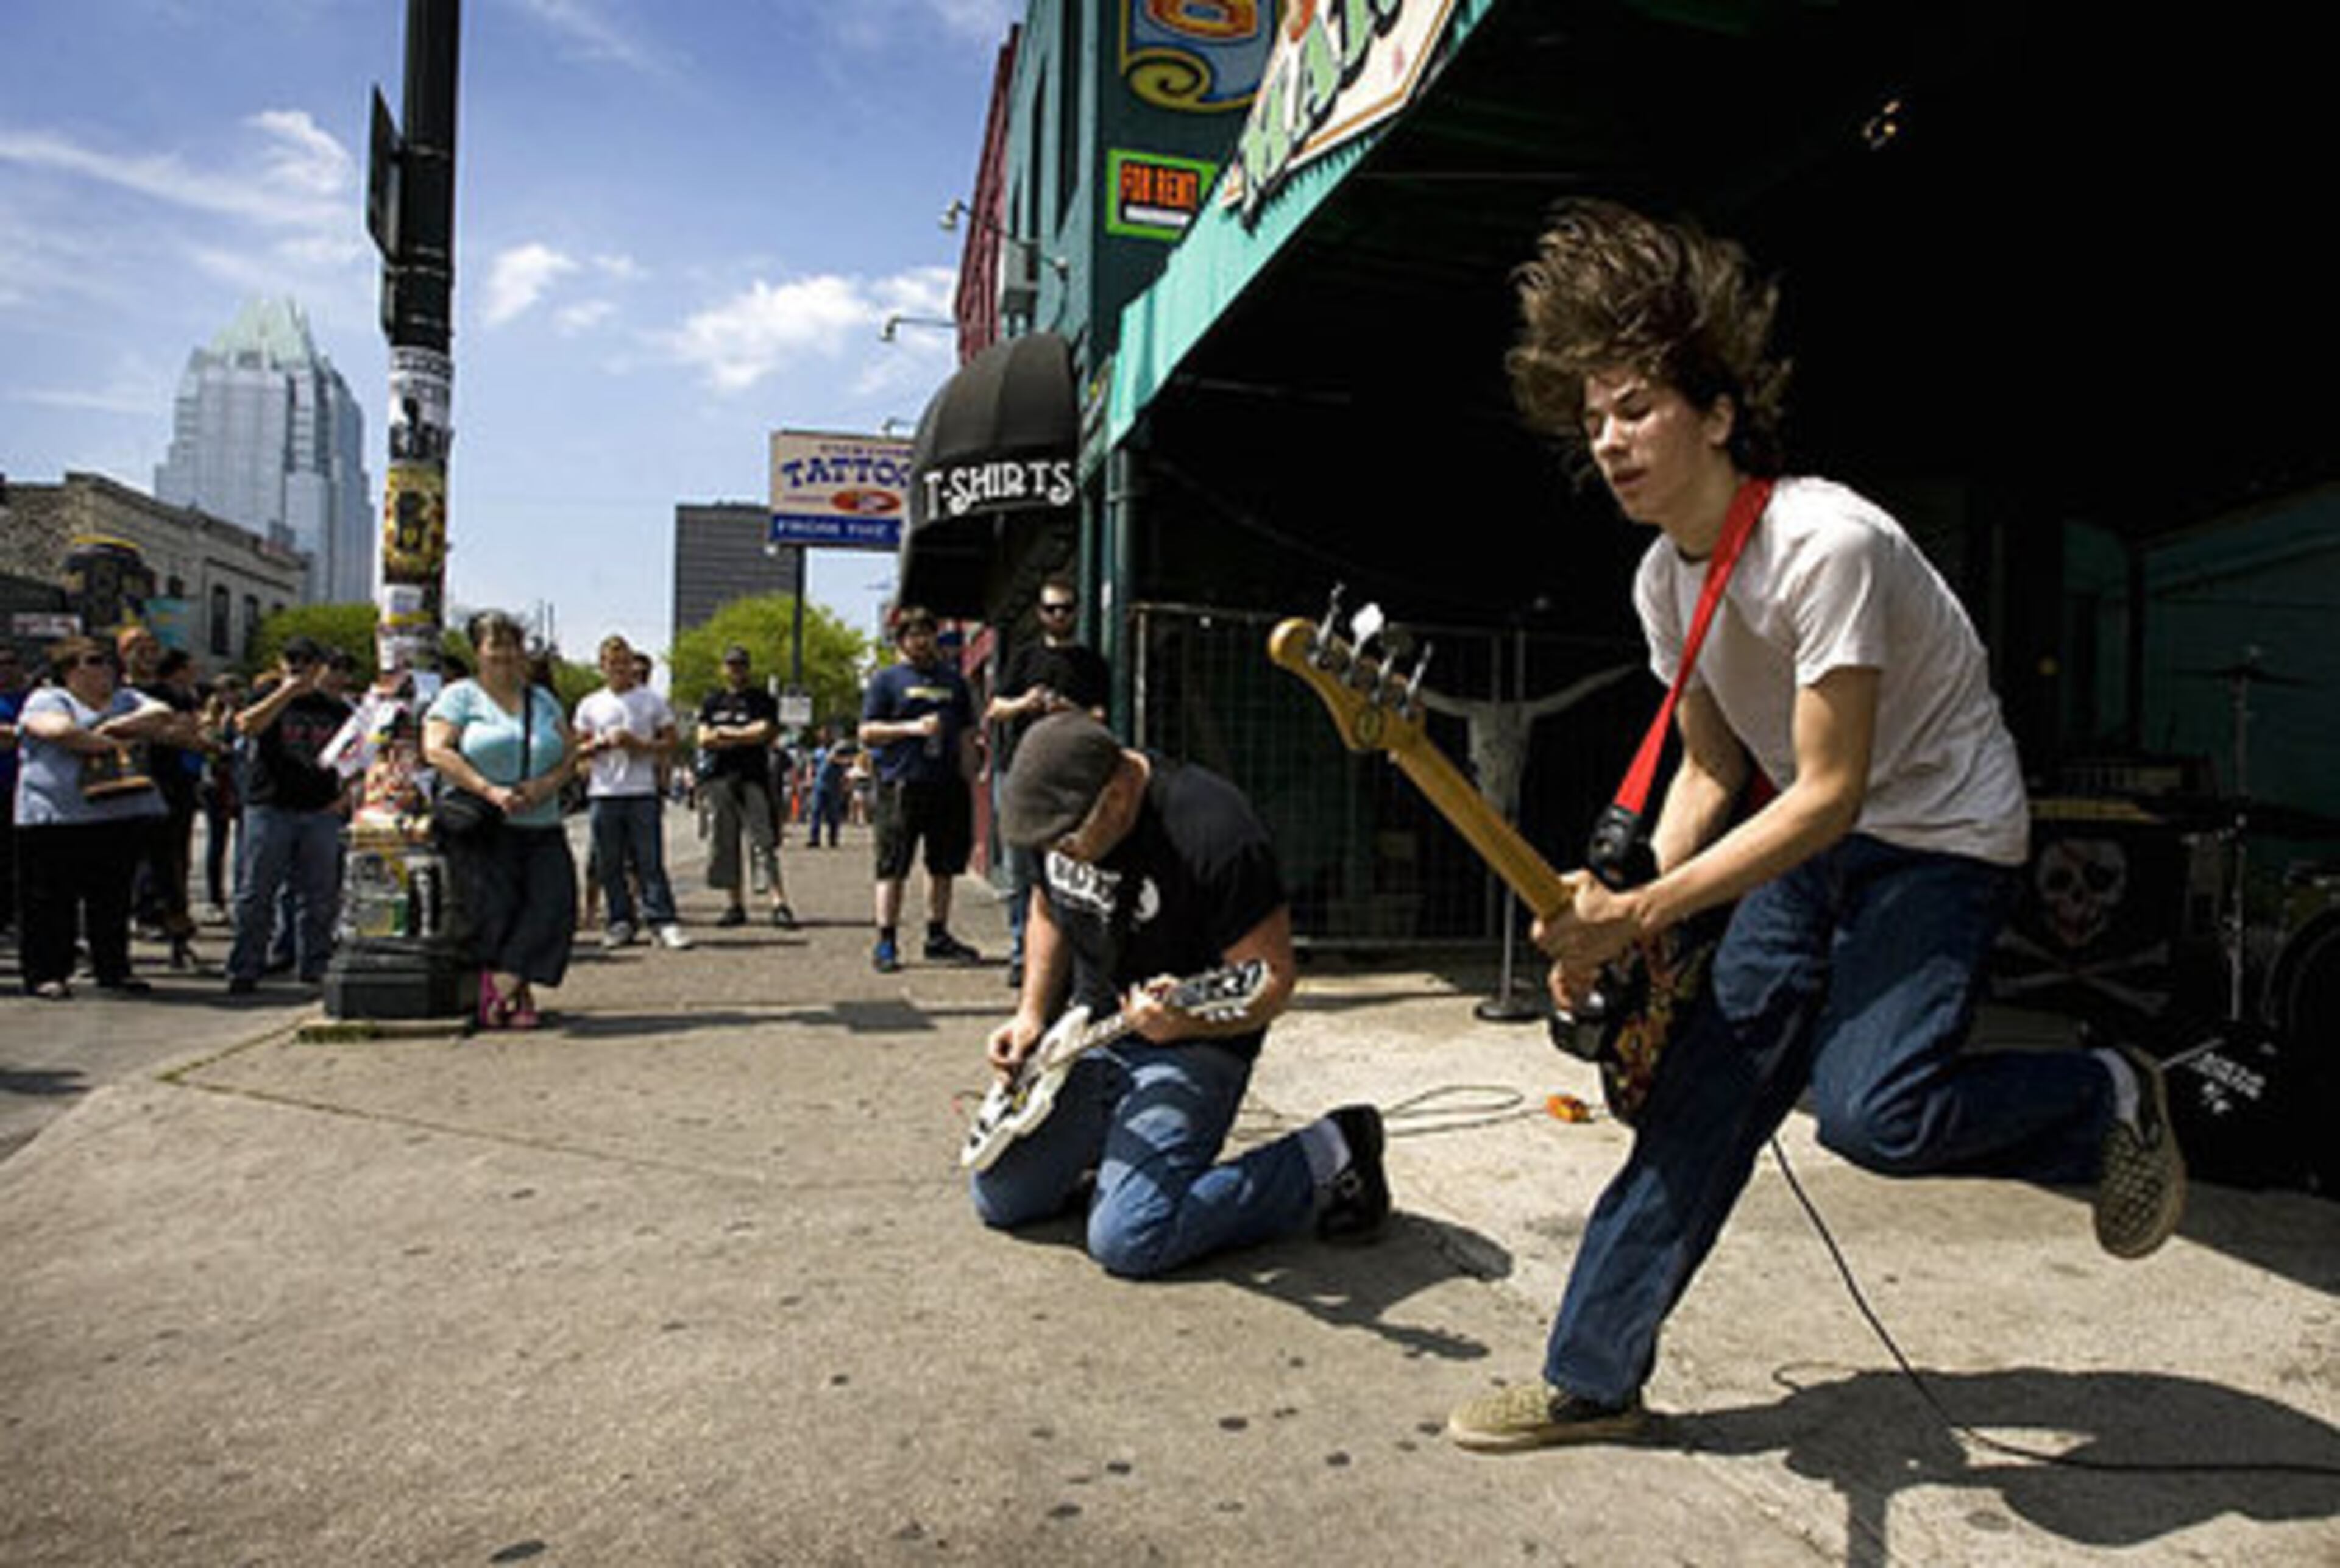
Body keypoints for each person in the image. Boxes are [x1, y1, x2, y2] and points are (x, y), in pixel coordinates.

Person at [1442, 200, 2185, 1453]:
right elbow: (1711, 767)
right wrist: (1615, 917)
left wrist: (1651, 909)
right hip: (1806, 836)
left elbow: (1832, 788)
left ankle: (2106, 1093)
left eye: (1637, 408)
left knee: (1876, 1112)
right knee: (1699, 1100)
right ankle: (1591, 1377)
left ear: (1719, 413)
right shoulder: (1660, 578)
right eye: (1594, 418)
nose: (1611, 440)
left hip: (1939, 834)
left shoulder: (1823, 541)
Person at [970, 711, 1389, 1277]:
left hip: (1194, 1045)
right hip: (1090, 1036)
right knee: (999, 1199)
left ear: (1117, 796)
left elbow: (1273, 979)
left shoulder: (1216, 829)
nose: (1057, 850)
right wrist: (1030, 1015)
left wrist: (1187, 1025)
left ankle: (1334, 1149)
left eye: (1067, 838)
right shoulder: (1061, 816)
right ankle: (1117, 1158)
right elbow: (1049, 906)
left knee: (1129, 1240)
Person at [423, 611, 578, 1029]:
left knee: (554, 904)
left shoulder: (542, 699)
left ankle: (503, 982)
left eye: (513, 645)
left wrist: (546, 784)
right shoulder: (460, 696)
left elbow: (570, 754)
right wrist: (488, 789)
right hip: (484, 822)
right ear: (478, 651)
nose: (506, 655)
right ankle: (516, 994)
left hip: (541, 819)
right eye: (496, 645)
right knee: (498, 911)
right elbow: (437, 750)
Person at [11, 636, 179, 998]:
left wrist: (117, 725)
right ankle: (46, 973)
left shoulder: (125, 699)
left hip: (116, 814)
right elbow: (56, 731)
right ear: (69, 671)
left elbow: (161, 713)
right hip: (55, 818)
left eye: (107, 662)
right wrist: (110, 741)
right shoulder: (50, 699)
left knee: (112, 898)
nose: (105, 669)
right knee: (50, 902)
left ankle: (112, 969)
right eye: (93, 661)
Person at [985, 573, 1111, 989]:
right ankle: (1024, 952)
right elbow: (996, 708)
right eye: (1051, 608)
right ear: (1039, 613)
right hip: (1022, 770)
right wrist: (1027, 701)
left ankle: (1073, 954)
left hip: (1074, 775)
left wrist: (1067, 708)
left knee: (1074, 864)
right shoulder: (1022, 657)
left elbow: (1101, 717)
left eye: (1067, 608)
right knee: (1023, 869)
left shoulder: (1091, 662)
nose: (1059, 615)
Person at [225, 636, 353, 994]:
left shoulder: (337, 711)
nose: (300, 668)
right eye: (292, 660)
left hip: (319, 809)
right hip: (270, 806)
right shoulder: (267, 696)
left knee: (319, 894)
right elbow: (246, 725)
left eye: (308, 662)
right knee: (256, 891)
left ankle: (314, 965)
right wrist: (285, 693)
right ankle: (245, 966)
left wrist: (343, 799)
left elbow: (357, 758)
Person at [858, 607, 981, 973]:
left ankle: (937, 935)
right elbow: (866, 733)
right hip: (901, 784)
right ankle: (886, 940)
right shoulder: (886, 681)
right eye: (913, 635)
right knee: (893, 866)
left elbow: (966, 732)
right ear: (902, 641)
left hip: (946, 784)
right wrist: (911, 729)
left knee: (942, 867)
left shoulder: (954, 681)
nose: (921, 641)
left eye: (928, 633)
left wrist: (970, 771)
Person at [573, 633, 689, 951]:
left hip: (641, 790)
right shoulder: (590, 704)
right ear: (602, 666)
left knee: (649, 860)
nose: (619, 669)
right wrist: (597, 745)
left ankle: (662, 920)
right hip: (604, 790)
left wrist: (639, 745)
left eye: (624, 663)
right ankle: (620, 920)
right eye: (612, 664)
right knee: (609, 862)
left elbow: (671, 742)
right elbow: (576, 748)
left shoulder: (651, 701)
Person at [695, 644, 796, 929]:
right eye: (731, 665)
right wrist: (741, 735)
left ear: (748, 669)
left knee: (763, 841)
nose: (736, 670)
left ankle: (778, 902)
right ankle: (734, 904)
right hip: (719, 778)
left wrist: (726, 733)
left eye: (740, 665)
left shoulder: (761, 699)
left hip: (753, 778)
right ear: (724, 668)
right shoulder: (712, 700)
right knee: (723, 843)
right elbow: (703, 738)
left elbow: (763, 731)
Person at [0, 642, 27, 937]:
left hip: (24, 789)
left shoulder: (34, 700)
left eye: (11, 663)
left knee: (19, 858)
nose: (5, 670)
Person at [805, 726, 848, 848]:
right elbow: (811, 765)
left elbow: (848, 763)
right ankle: (814, 839)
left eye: (826, 735)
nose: (823, 738)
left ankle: (833, 838)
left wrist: (836, 760)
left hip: (834, 786)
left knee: (833, 814)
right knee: (816, 811)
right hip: (819, 785)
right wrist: (809, 779)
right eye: (821, 736)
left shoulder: (839, 750)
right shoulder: (817, 751)